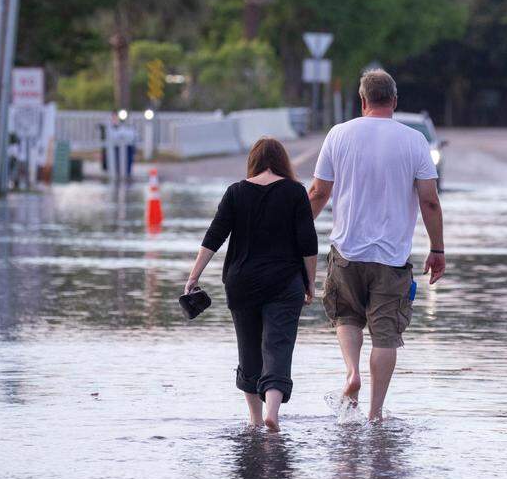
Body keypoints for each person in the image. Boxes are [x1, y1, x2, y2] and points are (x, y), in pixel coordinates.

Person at [307, 69, 446, 422]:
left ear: (362, 100)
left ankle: (351, 372)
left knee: (347, 316)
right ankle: (375, 414)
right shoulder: (414, 141)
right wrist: (437, 249)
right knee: (385, 337)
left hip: (346, 253)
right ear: (395, 102)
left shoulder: (339, 135)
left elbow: (319, 193)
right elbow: (429, 201)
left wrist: (294, 233)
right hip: (392, 258)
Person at [185, 137, 319, 432]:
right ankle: (273, 413)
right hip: (285, 283)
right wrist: (311, 283)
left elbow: (214, 236)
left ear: (253, 162)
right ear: (283, 162)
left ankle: (256, 421)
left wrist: (194, 275)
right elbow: (308, 243)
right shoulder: (295, 192)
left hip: (242, 282)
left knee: (249, 351)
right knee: (278, 346)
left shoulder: (236, 192)